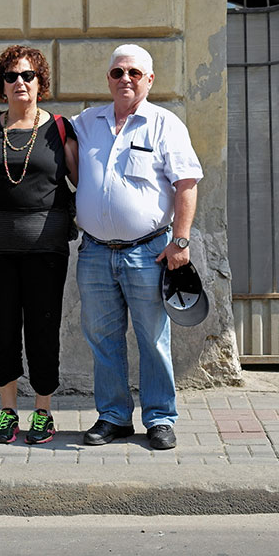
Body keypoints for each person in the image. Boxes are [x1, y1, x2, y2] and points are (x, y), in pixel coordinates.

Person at [74, 44, 203, 450]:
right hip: (94, 252)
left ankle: (160, 418)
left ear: (149, 80)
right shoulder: (86, 122)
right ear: (108, 79)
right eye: (117, 72)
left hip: (149, 252)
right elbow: (42, 129)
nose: (124, 79)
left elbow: (186, 185)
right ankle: (113, 417)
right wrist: (0, 116)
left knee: (152, 337)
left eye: (133, 72)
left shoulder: (165, 125)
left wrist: (180, 242)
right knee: (102, 337)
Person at [0, 45, 79, 445]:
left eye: (28, 76)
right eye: (12, 76)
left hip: (46, 252)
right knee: (2, 329)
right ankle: (8, 410)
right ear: (2, 85)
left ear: (40, 83)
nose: (20, 83)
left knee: (43, 328)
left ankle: (43, 411)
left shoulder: (59, 130)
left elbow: (86, 183)